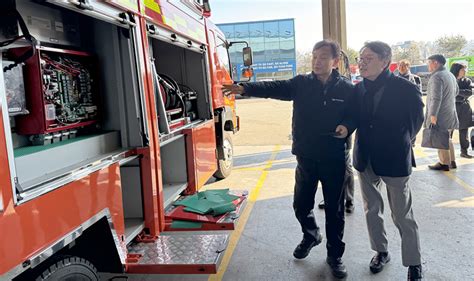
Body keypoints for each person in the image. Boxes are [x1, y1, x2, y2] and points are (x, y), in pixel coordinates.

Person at [222, 40, 357, 279]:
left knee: (335, 211)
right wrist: (245, 88)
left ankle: (335, 256)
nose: (317, 61)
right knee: (301, 204)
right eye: (314, 56)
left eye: (323, 57)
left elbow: (355, 114)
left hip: (334, 158)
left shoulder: (347, 89)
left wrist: (347, 127)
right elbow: (275, 86)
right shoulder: (302, 84)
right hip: (306, 155)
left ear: (335, 62)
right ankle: (311, 235)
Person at [354, 41, 424, 280]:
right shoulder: (358, 88)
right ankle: (381, 252)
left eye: (368, 58)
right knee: (371, 209)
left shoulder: (405, 88)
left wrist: (399, 142)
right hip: (365, 159)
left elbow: (415, 122)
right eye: (360, 58)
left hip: (394, 159)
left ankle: (414, 263)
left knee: (402, 214)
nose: (361, 62)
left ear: (385, 62)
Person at [425, 54, 460, 171]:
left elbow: (436, 98)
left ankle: (444, 163)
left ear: (435, 63)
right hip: (450, 112)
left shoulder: (436, 77)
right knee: (447, 137)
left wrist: (433, 114)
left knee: (441, 138)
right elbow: (456, 92)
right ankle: (452, 161)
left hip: (440, 114)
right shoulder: (450, 75)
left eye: (428, 63)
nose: (427, 66)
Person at [318, 135, 355, 213]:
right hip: (326, 139)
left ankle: (349, 200)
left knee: (346, 168)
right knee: (329, 168)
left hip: (343, 137)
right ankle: (329, 198)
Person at [450, 63, 473, 158]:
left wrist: (457, 92)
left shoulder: (467, 80)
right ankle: (447, 152)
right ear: (457, 70)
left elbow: (469, 92)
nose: (465, 71)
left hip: (464, 108)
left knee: (464, 130)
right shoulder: (450, 80)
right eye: (463, 69)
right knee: (449, 131)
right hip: (451, 108)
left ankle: (464, 151)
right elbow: (447, 93)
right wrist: (460, 94)